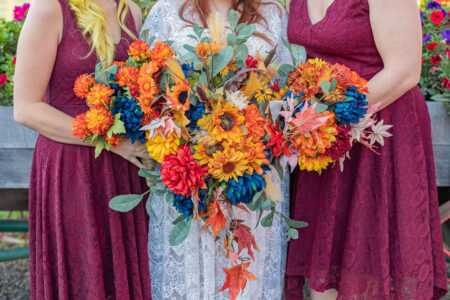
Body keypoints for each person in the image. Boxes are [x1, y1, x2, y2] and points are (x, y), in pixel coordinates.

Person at [285, 0, 448, 299]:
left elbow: (404, 70)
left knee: (369, 269)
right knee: (325, 271)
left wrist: (327, 118)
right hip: (323, 143)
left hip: (378, 137)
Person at [140, 0, 291, 299]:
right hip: (187, 181)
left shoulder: (274, 13)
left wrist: (248, 141)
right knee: (188, 278)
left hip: (254, 182)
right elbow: (148, 92)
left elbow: (286, 93)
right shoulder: (166, 11)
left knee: (247, 277)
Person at [13, 0, 152, 298]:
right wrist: (110, 142)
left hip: (125, 172)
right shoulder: (51, 9)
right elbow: (26, 108)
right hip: (71, 171)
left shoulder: (131, 12)